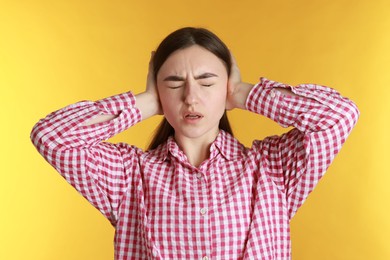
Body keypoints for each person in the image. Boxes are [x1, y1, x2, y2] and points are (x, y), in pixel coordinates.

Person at [31, 27, 359, 259]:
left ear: (226, 86)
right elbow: (51, 136)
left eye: (206, 82)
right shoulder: (129, 177)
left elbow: (339, 116)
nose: (191, 97)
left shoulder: (271, 169)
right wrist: (145, 102)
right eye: (174, 84)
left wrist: (244, 93)